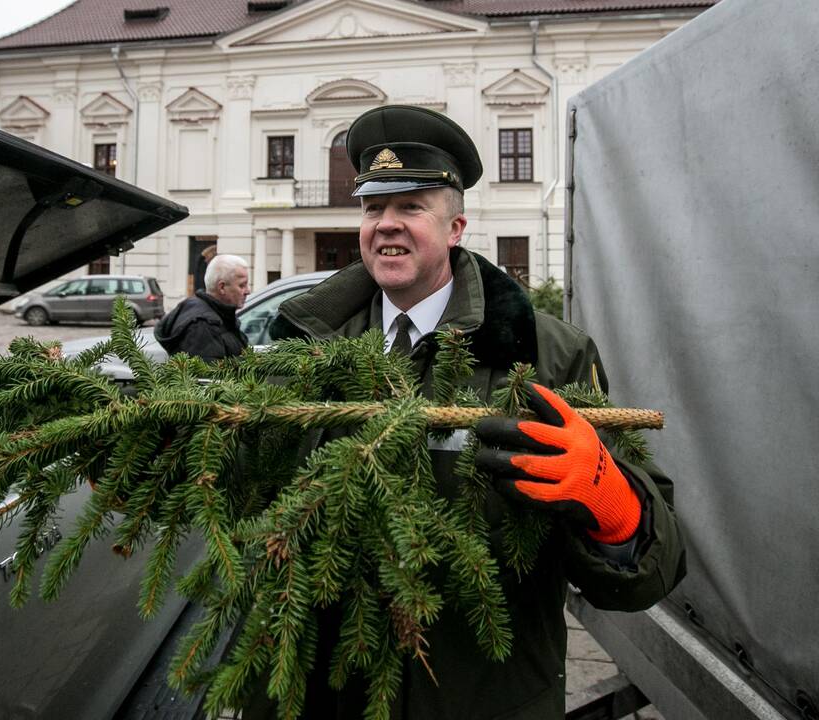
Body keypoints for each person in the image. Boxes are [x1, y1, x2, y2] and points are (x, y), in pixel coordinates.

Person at [254, 105, 686, 719]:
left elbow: (651, 572)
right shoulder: (302, 346)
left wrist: (611, 504)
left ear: (455, 228)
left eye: (411, 207)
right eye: (374, 208)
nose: (386, 225)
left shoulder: (545, 352)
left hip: (485, 696)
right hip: (322, 695)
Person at [155, 253, 251, 362]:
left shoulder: (219, 316)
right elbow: (208, 376)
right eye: (242, 285)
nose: (248, 291)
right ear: (222, 287)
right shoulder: (202, 326)